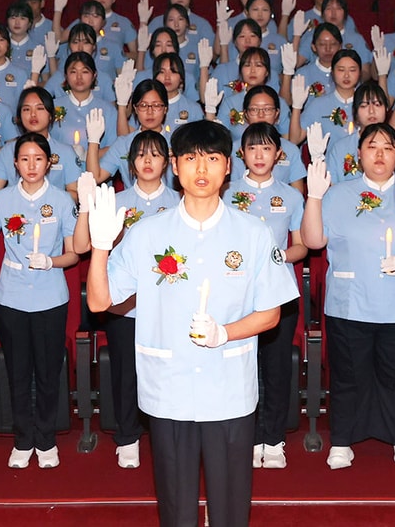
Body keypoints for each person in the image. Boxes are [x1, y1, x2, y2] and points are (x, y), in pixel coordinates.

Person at [85, 120, 298, 527]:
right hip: (170, 386)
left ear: (228, 167)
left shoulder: (253, 233)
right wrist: (99, 247)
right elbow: (99, 301)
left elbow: (271, 313)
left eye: (213, 159)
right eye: (191, 159)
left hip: (229, 388)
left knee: (230, 506)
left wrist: (225, 333)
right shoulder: (147, 233)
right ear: (175, 166)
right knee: (176, 505)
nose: (202, 169)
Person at [301, 122, 395, 473]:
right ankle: (341, 440)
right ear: (359, 155)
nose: (379, 153)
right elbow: (313, 241)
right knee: (349, 374)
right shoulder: (337, 194)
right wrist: (314, 197)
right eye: (371, 146)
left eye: (387, 147)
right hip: (351, 302)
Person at [0, 132, 79, 469]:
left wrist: (51, 261)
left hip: (50, 296)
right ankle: (22, 439)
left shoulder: (61, 200)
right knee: (17, 372)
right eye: (25, 159)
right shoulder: (3, 200)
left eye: (38, 158)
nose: (31, 165)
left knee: (47, 373)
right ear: (15, 163)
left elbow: (74, 254)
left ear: (49, 163)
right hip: (11, 298)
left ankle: (46, 440)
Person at [72, 130, 178, 468]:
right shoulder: (114, 201)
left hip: (168, 306)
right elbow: (81, 247)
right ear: (130, 163)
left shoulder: (180, 202)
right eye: (141, 155)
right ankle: (128, 436)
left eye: (155, 154)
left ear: (167, 163)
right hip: (123, 304)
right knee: (125, 372)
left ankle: (168, 435)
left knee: (166, 372)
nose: (148, 161)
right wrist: (86, 208)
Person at [229, 122, 307, 470]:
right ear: (241, 154)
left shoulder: (291, 196)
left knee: (276, 368)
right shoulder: (226, 193)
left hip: (279, 292)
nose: (259, 155)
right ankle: (245, 437)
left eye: (266, 148)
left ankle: (273, 439)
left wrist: (282, 255)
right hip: (236, 293)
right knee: (241, 368)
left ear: (279, 154)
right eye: (252, 148)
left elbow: (302, 245)